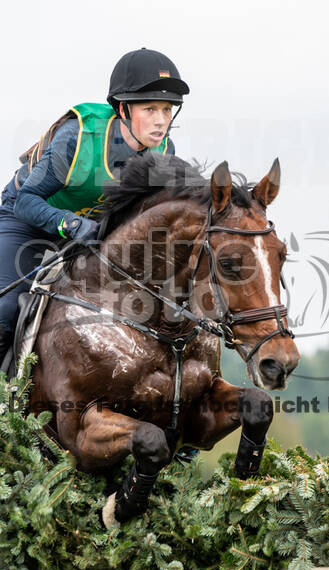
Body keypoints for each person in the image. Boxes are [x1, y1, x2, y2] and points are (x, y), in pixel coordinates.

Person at [0, 47, 189, 362]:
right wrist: (72, 224)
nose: (161, 121)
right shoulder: (78, 137)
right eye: (151, 109)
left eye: (167, 110)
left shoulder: (164, 153)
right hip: (27, 219)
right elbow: (26, 201)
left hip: (93, 231)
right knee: (5, 307)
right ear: (123, 109)